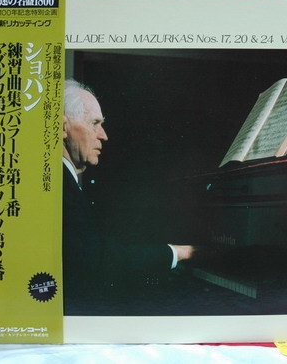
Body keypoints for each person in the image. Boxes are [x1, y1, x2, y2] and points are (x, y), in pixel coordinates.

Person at [61, 79, 194, 313]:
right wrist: (178, 253)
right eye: (94, 123)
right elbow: (97, 261)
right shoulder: (60, 184)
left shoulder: (65, 180)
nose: (103, 136)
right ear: (62, 127)